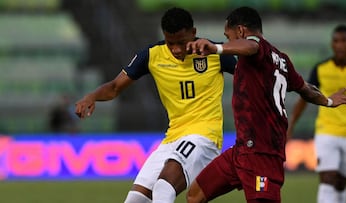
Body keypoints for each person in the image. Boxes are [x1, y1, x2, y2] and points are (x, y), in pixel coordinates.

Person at [185, 7, 346, 203]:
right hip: (241, 151)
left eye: (229, 36)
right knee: (195, 195)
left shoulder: (256, 48)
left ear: (241, 31)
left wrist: (217, 48)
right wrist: (327, 100)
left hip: (263, 155)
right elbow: (306, 88)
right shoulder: (282, 60)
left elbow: (252, 46)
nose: (229, 40)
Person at [75, 7, 237, 203]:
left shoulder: (214, 52)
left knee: (163, 187)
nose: (176, 50)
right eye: (171, 44)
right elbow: (115, 86)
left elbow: (248, 75)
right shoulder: (152, 56)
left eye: (182, 43)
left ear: (193, 33)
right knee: (135, 199)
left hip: (204, 136)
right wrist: (91, 96)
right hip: (172, 138)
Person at [287, 24, 346, 203]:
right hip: (326, 131)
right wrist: (292, 124)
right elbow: (305, 97)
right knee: (327, 179)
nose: (340, 45)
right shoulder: (321, 69)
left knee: (341, 184)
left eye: (344, 41)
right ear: (332, 45)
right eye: (336, 41)